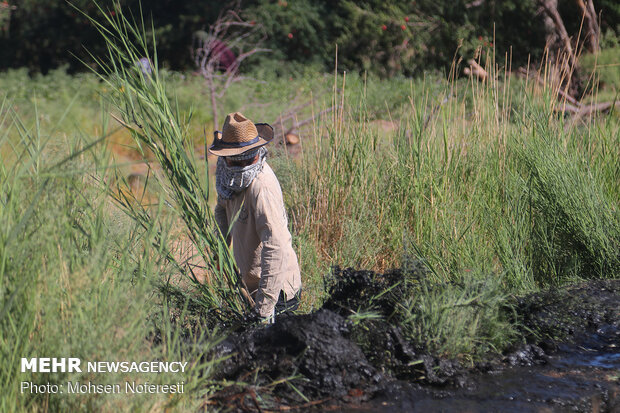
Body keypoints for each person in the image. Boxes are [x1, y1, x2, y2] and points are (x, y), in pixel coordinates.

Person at [210, 112, 302, 323]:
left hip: (276, 291)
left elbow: (275, 247)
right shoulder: (228, 175)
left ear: (253, 153)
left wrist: (264, 309)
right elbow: (221, 209)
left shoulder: (261, 187)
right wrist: (220, 250)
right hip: (250, 286)